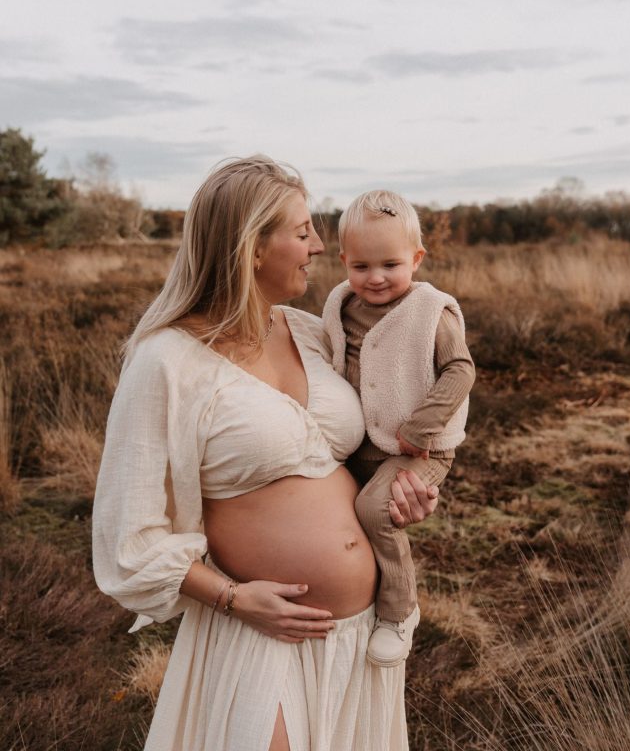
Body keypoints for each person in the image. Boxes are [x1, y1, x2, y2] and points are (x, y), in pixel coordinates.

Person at [92, 157, 440, 751]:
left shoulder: (313, 332)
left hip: (361, 633)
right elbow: (127, 535)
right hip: (261, 633)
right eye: (303, 231)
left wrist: (407, 486)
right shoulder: (165, 361)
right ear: (253, 246)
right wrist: (233, 598)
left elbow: (373, 445)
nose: (319, 246)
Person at [322, 190, 475, 667]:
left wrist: (422, 425)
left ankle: (400, 610)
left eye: (391, 264)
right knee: (339, 517)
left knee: (373, 508)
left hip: (419, 448)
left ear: (416, 258)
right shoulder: (342, 307)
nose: (376, 278)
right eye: (362, 266)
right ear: (344, 261)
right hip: (362, 446)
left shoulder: (431, 310)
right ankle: (357, 604)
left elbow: (460, 371)